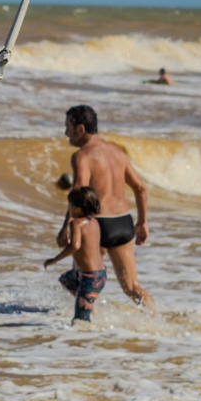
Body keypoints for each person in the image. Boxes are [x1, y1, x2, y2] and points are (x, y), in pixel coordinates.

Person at [59, 105, 154, 308]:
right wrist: (142, 223)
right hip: (123, 224)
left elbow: (79, 192)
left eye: (68, 127)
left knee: (80, 282)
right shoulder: (117, 152)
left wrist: (66, 227)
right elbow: (141, 189)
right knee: (131, 286)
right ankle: (157, 322)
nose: (66, 132)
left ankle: (87, 328)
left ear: (80, 129)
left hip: (97, 226)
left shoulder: (82, 156)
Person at [45, 186, 107, 323]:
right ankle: (91, 308)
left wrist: (55, 259)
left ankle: (87, 339)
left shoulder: (76, 224)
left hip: (90, 278)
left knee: (80, 322)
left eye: (70, 206)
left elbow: (75, 246)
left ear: (78, 209)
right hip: (100, 274)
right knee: (67, 280)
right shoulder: (94, 222)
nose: (69, 209)